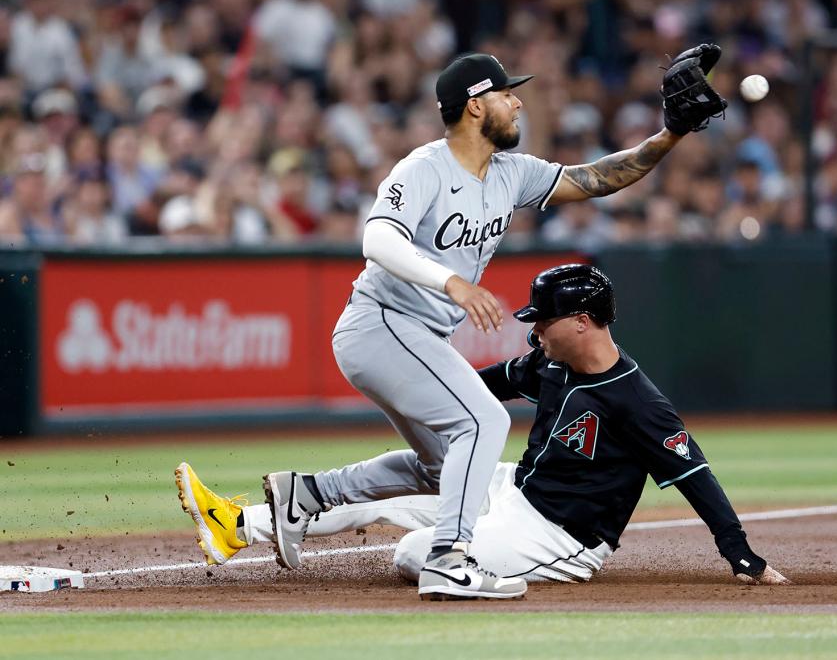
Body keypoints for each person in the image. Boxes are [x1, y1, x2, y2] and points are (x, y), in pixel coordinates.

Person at [179, 48, 728, 601]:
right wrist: (454, 284)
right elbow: (377, 239)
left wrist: (670, 134)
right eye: (505, 93)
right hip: (382, 323)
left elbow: (595, 179)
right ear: (473, 107)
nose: (517, 101)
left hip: (416, 335)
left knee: (445, 468)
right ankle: (448, 561)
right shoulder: (425, 168)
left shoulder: (509, 173)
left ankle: (299, 496)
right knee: (485, 424)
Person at [175, 264, 789, 588]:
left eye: (543, 320)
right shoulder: (551, 362)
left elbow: (695, 473)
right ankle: (243, 524)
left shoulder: (636, 400)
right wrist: (418, 389)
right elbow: (480, 389)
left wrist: (741, 555)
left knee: (416, 553)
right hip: (515, 491)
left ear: (581, 322)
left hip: (560, 539)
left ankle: (457, 552)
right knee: (425, 473)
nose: (534, 330)